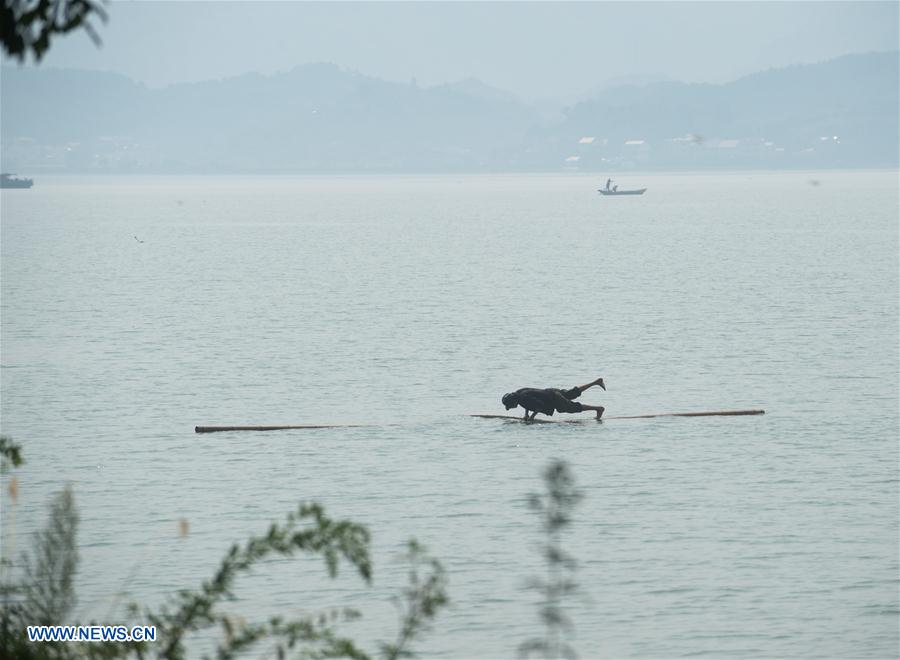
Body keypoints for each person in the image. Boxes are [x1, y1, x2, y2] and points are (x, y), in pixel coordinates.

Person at [501, 377, 606, 421]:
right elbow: (529, 403)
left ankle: (598, 409)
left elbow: (538, 406)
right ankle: (596, 382)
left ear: (513, 401)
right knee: (571, 393)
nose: (511, 408)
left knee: (570, 408)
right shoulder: (519, 393)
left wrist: (532, 417)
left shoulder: (523, 399)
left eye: (510, 406)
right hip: (551, 391)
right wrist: (526, 414)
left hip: (554, 398)